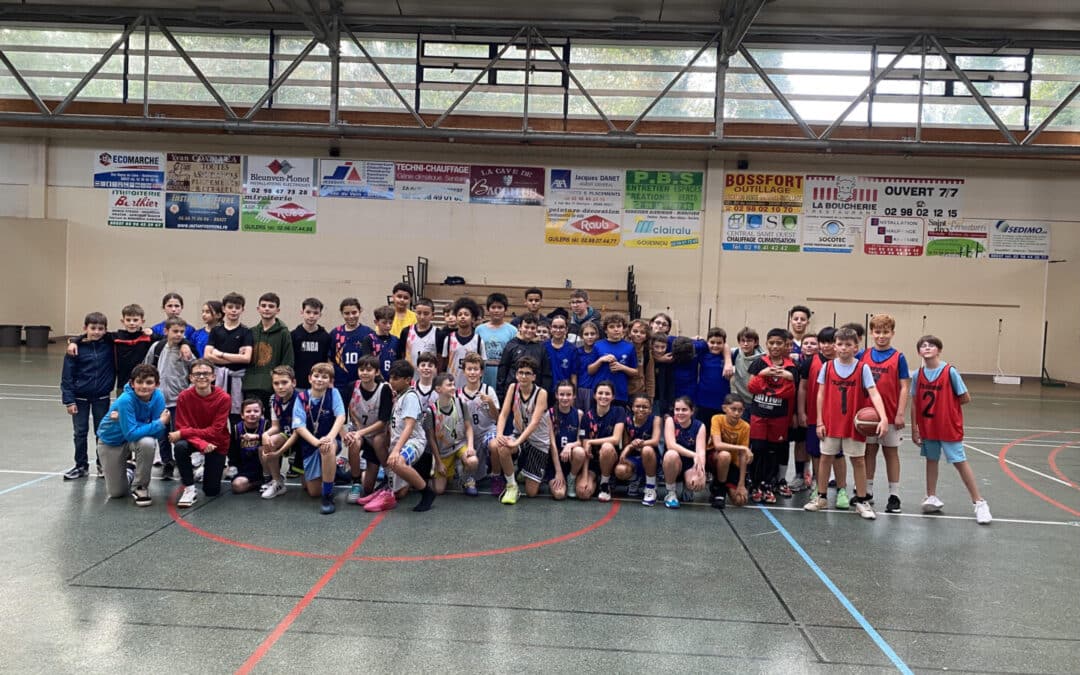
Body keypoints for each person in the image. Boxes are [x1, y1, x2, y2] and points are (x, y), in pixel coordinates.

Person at [805, 326, 888, 520]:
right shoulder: (827, 367)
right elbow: (820, 394)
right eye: (840, 344)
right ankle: (821, 497)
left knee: (858, 460)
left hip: (854, 423)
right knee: (825, 458)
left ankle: (861, 499)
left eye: (848, 345)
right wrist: (819, 421)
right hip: (831, 421)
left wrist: (883, 417)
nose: (843, 348)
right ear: (834, 346)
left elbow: (874, 393)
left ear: (856, 347)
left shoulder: (862, 368)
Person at [910, 335, 991, 524]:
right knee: (931, 460)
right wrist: (914, 428)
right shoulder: (917, 375)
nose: (927, 348)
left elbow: (965, 397)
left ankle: (979, 502)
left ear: (939, 350)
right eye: (923, 346)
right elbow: (915, 402)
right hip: (928, 426)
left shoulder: (949, 372)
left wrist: (947, 408)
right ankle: (931, 496)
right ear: (919, 352)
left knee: (959, 461)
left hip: (948, 425)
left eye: (931, 345)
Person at [359, 360, 436, 513]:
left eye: (395, 379)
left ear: (407, 380)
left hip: (414, 441)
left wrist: (395, 451)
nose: (391, 382)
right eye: (390, 378)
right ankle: (389, 486)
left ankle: (427, 493)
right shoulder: (400, 395)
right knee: (380, 441)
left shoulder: (410, 397)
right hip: (400, 441)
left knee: (398, 462)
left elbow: (409, 426)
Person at [94, 364, 169, 505]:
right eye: (139, 382)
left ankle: (140, 486)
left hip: (135, 438)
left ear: (157, 384)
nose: (144, 386)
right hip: (112, 442)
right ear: (132, 383)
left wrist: (129, 421)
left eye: (149, 382)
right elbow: (131, 433)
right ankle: (130, 470)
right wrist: (159, 423)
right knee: (116, 493)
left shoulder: (158, 397)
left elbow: (158, 434)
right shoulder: (125, 400)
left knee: (148, 442)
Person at [861, 313, 911, 513]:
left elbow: (905, 387)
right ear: (872, 333)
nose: (881, 336)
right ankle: (868, 490)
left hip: (890, 415)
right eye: (877, 332)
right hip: (868, 415)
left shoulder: (899, 357)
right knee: (869, 452)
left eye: (886, 332)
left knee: (891, 453)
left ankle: (894, 494)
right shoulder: (863, 355)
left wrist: (900, 413)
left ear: (893, 333)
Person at [798, 327, 849, 508]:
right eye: (823, 342)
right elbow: (802, 388)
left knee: (838, 454)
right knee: (817, 454)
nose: (827, 346)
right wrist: (801, 411)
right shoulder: (809, 362)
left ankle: (842, 490)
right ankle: (819, 488)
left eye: (830, 342)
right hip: (814, 415)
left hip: (838, 417)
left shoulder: (845, 363)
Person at [747, 328, 799, 504]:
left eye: (779, 343)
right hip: (759, 415)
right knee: (758, 449)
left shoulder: (791, 367)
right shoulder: (759, 363)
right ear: (766, 344)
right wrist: (763, 375)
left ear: (786, 345)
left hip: (779, 417)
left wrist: (785, 379)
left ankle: (768, 484)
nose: (775, 346)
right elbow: (752, 387)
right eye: (771, 343)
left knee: (773, 451)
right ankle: (755, 484)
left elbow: (788, 393)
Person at [490, 357, 551, 504]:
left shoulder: (541, 393)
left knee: (531, 492)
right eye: (521, 372)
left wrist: (516, 442)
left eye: (528, 373)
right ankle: (511, 486)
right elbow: (503, 414)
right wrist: (499, 435)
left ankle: (523, 469)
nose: (523, 376)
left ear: (534, 377)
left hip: (537, 441)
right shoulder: (513, 387)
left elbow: (534, 422)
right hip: (519, 435)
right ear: (516, 374)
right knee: (499, 445)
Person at [61, 312, 115, 480]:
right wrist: (69, 400)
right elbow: (67, 376)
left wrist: (73, 340)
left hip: (102, 397)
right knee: (80, 432)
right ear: (85, 328)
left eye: (101, 329)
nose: (97, 332)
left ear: (106, 330)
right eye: (93, 328)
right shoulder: (75, 350)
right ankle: (81, 465)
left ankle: (102, 465)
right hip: (79, 398)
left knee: (102, 432)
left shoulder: (110, 344)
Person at [171, 359, 232, 508]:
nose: (202, 377)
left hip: (216, 442)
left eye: (206, 373)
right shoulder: (184, 397)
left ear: (213, 376)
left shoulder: (224, 398)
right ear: (191, 377)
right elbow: (181, 425)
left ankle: (205, 469)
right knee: (180, 446)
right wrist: (201, 444)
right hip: (199, 442)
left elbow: (216, 431)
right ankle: (189, 488)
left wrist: (186, 433)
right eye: (197, 374)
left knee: (211, 491)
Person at [143, 316, 197, 479]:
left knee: (179, 434)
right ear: (166, 331)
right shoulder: (157, 347)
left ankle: (183, 462)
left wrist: (187, 392)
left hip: (179, 402)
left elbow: (195, 372)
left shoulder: (187, 351)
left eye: (182, 331)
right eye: (175, 331)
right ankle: (167, 462)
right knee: (162, 434)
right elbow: (146, 368)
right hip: (159, 402)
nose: (179, 334)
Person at [291, 361, 347, 514]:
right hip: (310, 444)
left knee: (327, 449)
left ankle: (328, 495)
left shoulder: (333, 393)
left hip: (330, 440)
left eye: (324, 377)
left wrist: (329, 437)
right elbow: (299, 426)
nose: (320, 379)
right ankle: (336, 470)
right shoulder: (301, 397)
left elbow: (341, 417)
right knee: (313, 492)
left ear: (330, 381)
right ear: (310, 378)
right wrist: (316, 442)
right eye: (316, 376)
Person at [343, 355, 392, 503]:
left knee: (369, 488)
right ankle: (356, 482)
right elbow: (343, 413)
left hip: (377, 435)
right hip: (359, 432)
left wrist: (360, 432)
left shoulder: (384, 389)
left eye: (369, 370)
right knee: (354, 441)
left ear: (376, 372)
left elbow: (383, 422)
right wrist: (349, 433)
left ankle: (388, 476)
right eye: (361, 369)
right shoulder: (352, 387)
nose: (364, 372)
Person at [204, 292, 253, 421]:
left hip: (238, 380)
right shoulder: (216, 330)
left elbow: (246, 358)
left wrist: (220, 354)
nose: (233, 310)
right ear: (224, 309)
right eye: (230, 307)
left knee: (236, 416)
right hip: (218, 377)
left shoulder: (246, 332)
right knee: (216, 413)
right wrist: (235, 356)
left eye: (237, 307)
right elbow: (207, 355)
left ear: (243, 309)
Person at [244, 292, 295, 416]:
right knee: (252, 419)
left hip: (272, 386)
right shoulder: (251, 332)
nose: (267, 309)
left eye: (271, 306)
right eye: (264, 305)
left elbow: (287, 361)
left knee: (271, 420)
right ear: (258, 309)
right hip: (250, 385)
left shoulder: (284, 333)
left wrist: (280, 382)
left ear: (277, 310)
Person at [459, 352, 500, 497]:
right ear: (464, 371)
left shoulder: (488, 391)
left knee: (495, 444)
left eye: (476, 369)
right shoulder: (458, 395)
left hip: (487, 431)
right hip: (467, 437)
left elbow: (497, 418)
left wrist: (489, 403)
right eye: (469, 369)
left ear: (481, 372)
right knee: (471, 461)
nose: (472, 372)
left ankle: (496, 476)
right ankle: (468, 478)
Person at [429, 373, 477, 495]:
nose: (453, 387)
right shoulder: (431, 411)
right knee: (439, 490)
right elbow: (431, 440)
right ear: (438, 389)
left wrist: (470, 446)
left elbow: (468, 428)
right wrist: (439, 462)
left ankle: (466, 478)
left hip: (460, 444)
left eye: (454, 384)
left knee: (472, 461)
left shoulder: (461, 404)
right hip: (444, 451)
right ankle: (453, 469)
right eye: (449, 385)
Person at [259, 365, 301, 499]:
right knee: (270, 442)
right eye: (276, 383)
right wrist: (265, 435)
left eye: (284, 382)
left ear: (293, 382)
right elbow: (276, 426)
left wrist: (278, 452)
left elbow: (298, 432)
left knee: (312, 490)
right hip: (288, 435)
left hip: (304, 440)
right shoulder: (274, 399)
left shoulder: (301, 399)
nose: (280, 387)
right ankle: (278, 482)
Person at [580, 381, 625, 502]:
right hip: (593, 463)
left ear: (613, 396)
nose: (604, 396)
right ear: (594, 395)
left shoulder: (619, 411)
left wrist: (591, 442)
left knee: (606, 447)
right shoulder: (587, 416)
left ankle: (605, 484)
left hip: (611, 458)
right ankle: (594, 481)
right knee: (583, 493)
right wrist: (584, 476)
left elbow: (615, 439)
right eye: (600, 393)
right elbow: (585, 449)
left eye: (607, 394)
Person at [709, 394, 753, 509]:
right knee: (725, 455)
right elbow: (718, 445)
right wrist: (743, 448)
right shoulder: (717, 419)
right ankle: (720, 491)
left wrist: (741, 484)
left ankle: (717, 484)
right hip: (714, 459)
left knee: (740, 500)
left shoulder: (745, 427)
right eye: (733, 409)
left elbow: (743, 456)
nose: (737, 413)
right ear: (724, 408)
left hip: (732, 464)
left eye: (740, 410)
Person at [661, 396, 706, 508]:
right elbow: (671, 445)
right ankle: (671, 493)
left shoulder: (699, 426)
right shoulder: (670, 421)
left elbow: (701, 451)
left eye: (684, 410)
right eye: (677, 409)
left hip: (689, 464)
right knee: (671, 454)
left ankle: (687, 486)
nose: (680, 413)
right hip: (673, 463)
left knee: (696, 483)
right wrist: (693, 454)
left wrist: (701, 472)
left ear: (692, 411)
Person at [787, 331, 818, 493]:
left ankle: (815, 476)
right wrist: (796, 412)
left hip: (816, 409)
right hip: (798, 408)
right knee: (800, 442)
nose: (809, 346)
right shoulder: (794, 363)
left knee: (815, 444)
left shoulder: (823, 363)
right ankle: (800, 474)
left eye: (813, 343)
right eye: (806, 343)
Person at [617, 393, 661, 505]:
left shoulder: (656, 419)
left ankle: (650, 487)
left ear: (650, 409)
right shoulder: (627, 421)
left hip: (651, 457)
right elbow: (626, 443)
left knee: (647, 449)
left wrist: (633, 445)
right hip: (634, 457)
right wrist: (628, 447)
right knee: (620, 470)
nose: (641, 409)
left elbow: (655, 441)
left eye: (645, 407)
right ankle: (635, 479)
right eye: (637, 406)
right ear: (632, 407)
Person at [495, 313, 552, 400]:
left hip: (534, 396)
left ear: (536, 329)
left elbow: (546, 374)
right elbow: (502, 371)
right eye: (526, 327)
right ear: (519, 327)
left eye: (532, 328)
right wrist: (501, 395)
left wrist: (544, 395)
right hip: (512, 394)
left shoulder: (541, 348)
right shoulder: (511, 345)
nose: (529, 330)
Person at [589, 313, 637, 409]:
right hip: (600, 393)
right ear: (606, 330)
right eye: (612, 327)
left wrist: (622, 367)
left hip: (619, 393)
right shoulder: (598, 345)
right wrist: (600, 360)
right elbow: (590, 370)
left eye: (619, 326)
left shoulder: (629, 347)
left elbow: (635, 372)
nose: (616, 329)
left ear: (623, 328)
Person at [330, 297, 371, 405]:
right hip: (340, 384)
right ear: (342, 314)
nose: (351, 316)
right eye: (347, 313)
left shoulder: (368, 333)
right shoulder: (336, 333)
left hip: (360, 384)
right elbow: (330, 359)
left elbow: (371, 360)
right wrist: (331, 380)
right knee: (339, 415)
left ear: (360, 311)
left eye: (354, 312)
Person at [549, 379, 585, 500]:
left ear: (574, 396)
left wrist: (569, 445)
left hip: (572, 460)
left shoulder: (579, 414)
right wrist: (558, 471)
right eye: (562, 394)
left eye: (568, 394)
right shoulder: (550, 414)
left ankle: (571, 478)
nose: (565, 398)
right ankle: (558, 476)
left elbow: (581, 441)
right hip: (555, 462)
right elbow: (552, 444)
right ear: (556, 395)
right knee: (559, 495)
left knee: (580, 451)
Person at [476, 292, 518, 388]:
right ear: (488, 309)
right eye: (493, 307)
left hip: (503, 373)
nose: (496, 310)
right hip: (484, 372)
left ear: (505, 309)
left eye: (500, 307)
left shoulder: (512, 330)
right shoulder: (479, 329)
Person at [441, 296, 485, 387]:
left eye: (466, 314)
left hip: (472, 386)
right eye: (460, 314)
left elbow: (483, 364)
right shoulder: (449, 339)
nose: (462, 317)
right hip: (452, 385)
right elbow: (444, 363)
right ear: (456, 318)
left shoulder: (478, 340)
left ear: (473, 318)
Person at [229, 398, 270, 494]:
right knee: (237, 486)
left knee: (262, 448)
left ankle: (268, 479)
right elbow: (233, 451)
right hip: (245, 469)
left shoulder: (267, 426)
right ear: (242, 415)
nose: (252, 414)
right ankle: (258, 483)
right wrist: (232, 465)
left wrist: (258, 437)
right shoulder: (236, 428)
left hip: (265, 467)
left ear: (262, 413)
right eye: (248, 411)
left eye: (256, 411)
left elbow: (273, 446)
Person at [695, 327, 734, 425]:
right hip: (703, 400)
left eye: (719, 343)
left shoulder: (729, 355)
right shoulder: (703, 354)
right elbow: (691, 343)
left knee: (718, 431)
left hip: (721, 402)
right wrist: (697, 339)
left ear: (724, 344)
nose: (715, 345)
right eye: (712, 342)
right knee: (703, 429)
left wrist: (728, 361)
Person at [291, 297, 332, 389]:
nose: (311, 316)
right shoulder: (293, 335)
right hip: (298, 384)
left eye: (315, 313)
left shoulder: (326, 337)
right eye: (308, 312)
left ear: (320, 315)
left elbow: (328, 361)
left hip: (318, 384)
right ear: (302, 312)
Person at [363, 305, 402, 380]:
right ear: (376, 322)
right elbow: (367, 363)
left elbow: (399, 363)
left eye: (390, 323)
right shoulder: (369, 340)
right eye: (384, 323)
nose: (388, 326)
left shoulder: (396, 340)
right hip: (375, 381)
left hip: (392, 381)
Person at [731, 327, 764, 418]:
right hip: (741, 401)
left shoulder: (763, 359)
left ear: (755, 342)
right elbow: (722, 346)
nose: (745, 344)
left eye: (749, 341)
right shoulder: (737, 353)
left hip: (756, 401)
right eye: (742, 341)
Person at [545, 314, 577, 399]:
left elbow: (574, 376)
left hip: (564, 394)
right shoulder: (543, 347)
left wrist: (573, 396)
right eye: (555, 327)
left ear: (566, 329)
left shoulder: (572, 349)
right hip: (545, 392)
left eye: (561, 327)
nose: (558, 330)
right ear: (550, 329)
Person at [400, 297, 438, 365]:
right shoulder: (406, 331)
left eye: (426, 313)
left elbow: (440, 358)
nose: (422, 317)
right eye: (419, 313)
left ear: (433, 315)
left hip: (430, 374)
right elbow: (402, 354)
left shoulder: (438, 334)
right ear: (414, 313)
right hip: (410, 374)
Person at [574, 321, 602, 412]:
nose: (590, 337)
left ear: (597, 335)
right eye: (586, 334)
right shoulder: (577, 352)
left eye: (592, 334)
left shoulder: (600, 351)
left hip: (594, 389)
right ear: (581, 336)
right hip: (580, 389)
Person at [626, 319, 655, 402]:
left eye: (642, 332)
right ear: (629, 333)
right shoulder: (623, 348)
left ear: (646, 336)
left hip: (638, 392)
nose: (638, 334)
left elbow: (650, 377)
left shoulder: (647, 353)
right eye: (635, 331)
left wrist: (650, 398)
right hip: (622, 391)